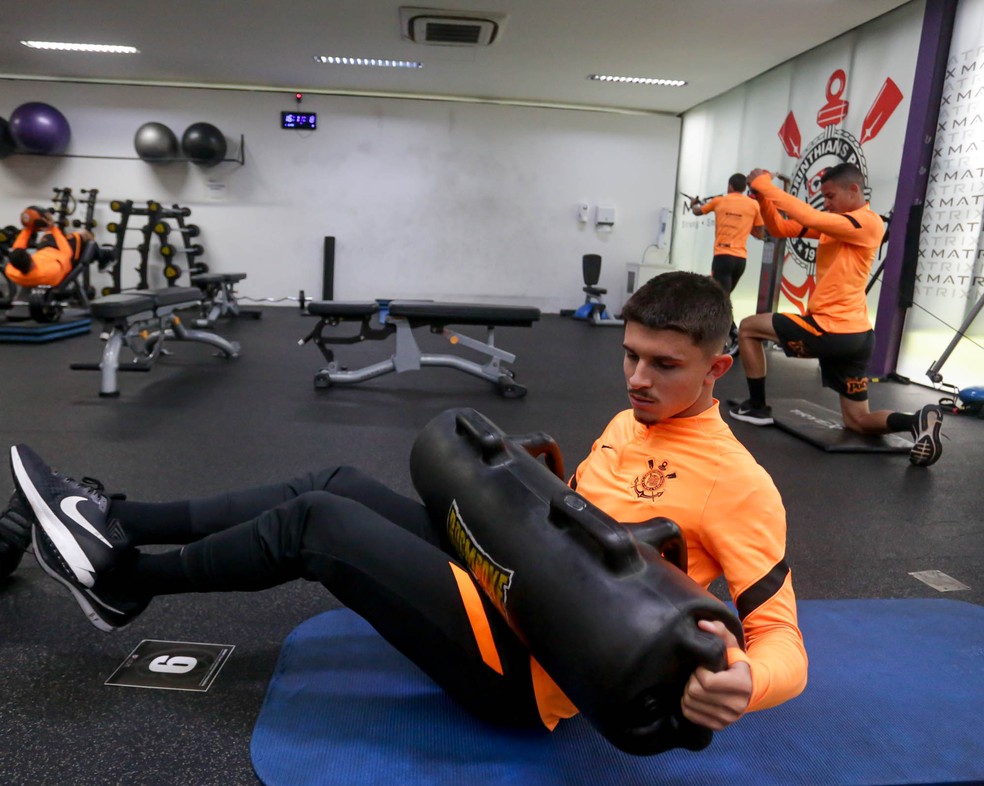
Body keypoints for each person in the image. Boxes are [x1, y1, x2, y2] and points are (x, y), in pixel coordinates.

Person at [4, 271, 807, 737]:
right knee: (333, 483)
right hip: (512, 580)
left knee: (320, 527)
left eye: (664, 365)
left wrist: (742, 684)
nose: (637, 380)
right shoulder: (631, 420)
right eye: (630, 356)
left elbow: (783, 644)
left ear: (721, 368)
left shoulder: (738, 484)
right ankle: (117, 516)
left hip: (534, 672)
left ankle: (125, 579)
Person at [729, 164, 944, 467]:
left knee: (749, 328)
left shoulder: (867, 222)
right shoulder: (836, 225)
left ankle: (757, 406)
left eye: (830, 195)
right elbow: (779, 228)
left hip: (830, 331)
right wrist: (761, 196)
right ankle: (916, 421)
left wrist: (764, 184)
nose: (826, 203)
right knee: (858, 421)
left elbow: (809, 216)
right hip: (856, 338)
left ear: (854, 190)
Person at [691, 173, 765, 353]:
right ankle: (725, 335)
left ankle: (734, 334)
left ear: (730, 186)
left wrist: (694, 203)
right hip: (740, 260)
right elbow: (760, 233)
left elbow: (697, 211)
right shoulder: (753, 204)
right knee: (720, 298)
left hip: (723, 257)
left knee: (720, 299)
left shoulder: (719, 201)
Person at [5, 206, 93, 288]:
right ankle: (100, 253)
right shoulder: (50, 271)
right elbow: (67, 252)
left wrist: (28, 228)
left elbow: (17, 250)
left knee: (48, 234)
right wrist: (53, 228)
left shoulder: (12, 272)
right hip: (60, 253)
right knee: (83, 234)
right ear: (31, 261)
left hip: (45, 249)